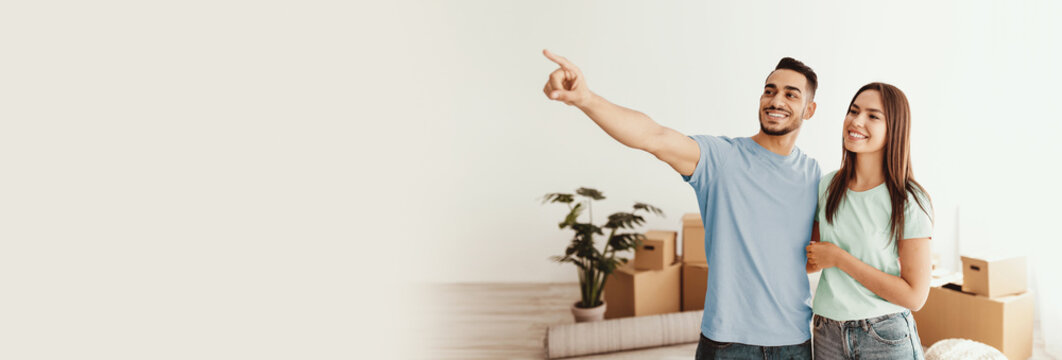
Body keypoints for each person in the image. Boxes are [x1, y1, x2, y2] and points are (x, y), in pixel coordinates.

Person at [542, 49, 820, 359]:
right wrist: (586, 99)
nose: (776, 100)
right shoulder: (723, 159)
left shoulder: (813, 176)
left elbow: (813, 255)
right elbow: (654, 136)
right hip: (728, 343)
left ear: (809, 110)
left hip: (793, 341)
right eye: (770, 91)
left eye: (790, 94)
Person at [805, 82, 933, 359]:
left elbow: (915, 297)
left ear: (894, 129)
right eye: (853, 111)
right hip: (827, 332)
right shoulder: (827, 186)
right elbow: (809, 259)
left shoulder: (909, 199)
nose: (856, 121)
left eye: (873, 116)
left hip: (884, 334)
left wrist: (840, 258)